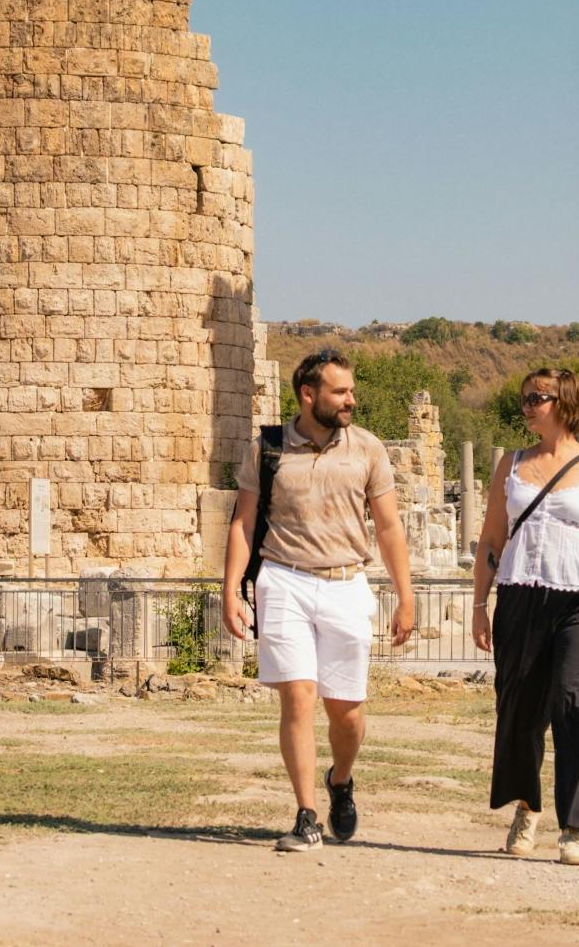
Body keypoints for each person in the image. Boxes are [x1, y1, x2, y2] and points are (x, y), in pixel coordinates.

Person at [222, 349, 415, 852]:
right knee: (298, 698)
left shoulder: (367, 449)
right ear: (309, 395)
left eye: (351, 390)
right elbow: (243, 522)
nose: (351, 399)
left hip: (346, 583)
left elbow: (389, 526)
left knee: (346, 711)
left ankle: (341, 780)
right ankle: (306, 815)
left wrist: (406, 596)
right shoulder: (267, 448)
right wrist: (230, 589)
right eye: (340, 392)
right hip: (284, 579)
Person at [470, 367, 579, 866]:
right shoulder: (511, 466)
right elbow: (491, 541)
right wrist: (480, 605)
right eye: (523, 398)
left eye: (536, 398)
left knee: (574, 706)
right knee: (519, 711)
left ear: (564, 403)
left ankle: (573, 827)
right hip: (521, 598)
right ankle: (527, 807)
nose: (527, 406)